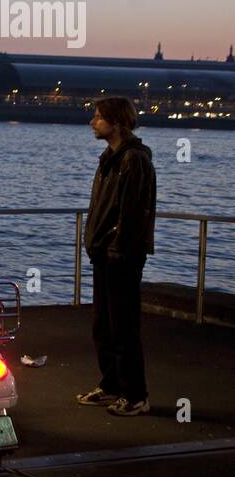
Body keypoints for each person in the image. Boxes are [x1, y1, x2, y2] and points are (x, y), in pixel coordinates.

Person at [77, 97, 157, 417]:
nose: (93, 122)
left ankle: (135, 394)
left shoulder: (132, 160)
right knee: (104, 325)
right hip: (104, 252)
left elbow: (133, 211)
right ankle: (112, 386)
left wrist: (118, 247)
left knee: (123, 326)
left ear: (117, 122)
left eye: (98, 117)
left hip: (120, 256)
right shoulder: (110, 158)